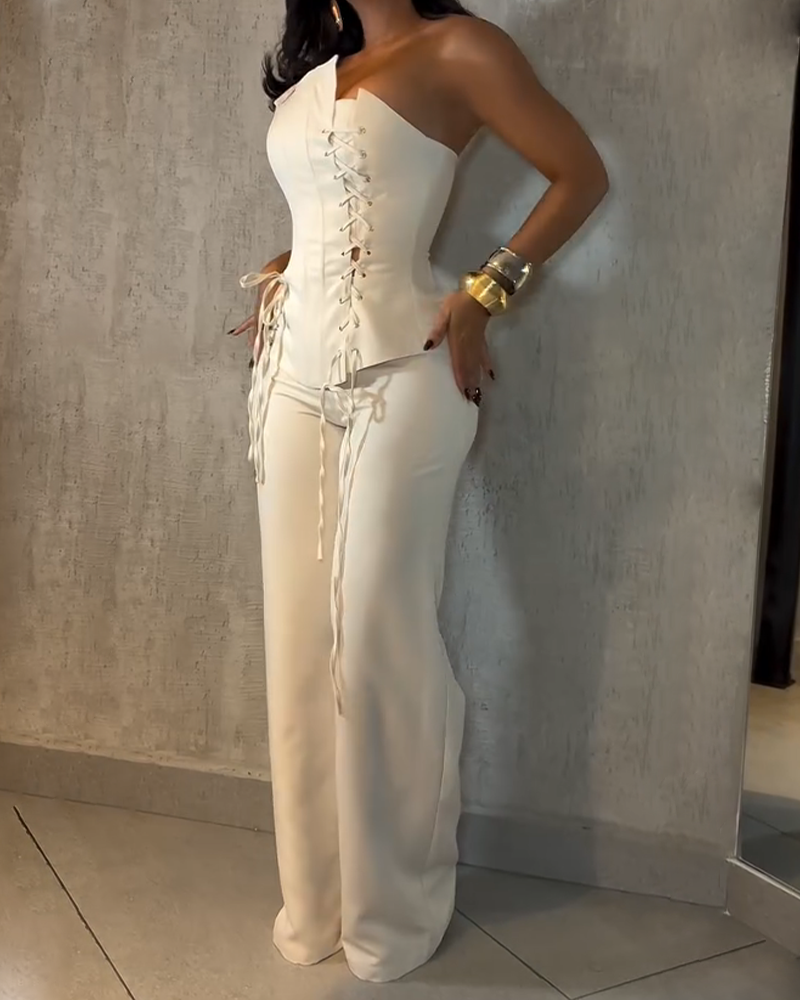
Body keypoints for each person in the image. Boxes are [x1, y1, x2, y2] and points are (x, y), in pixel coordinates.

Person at [228, 0, 607, 983]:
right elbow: (336, 207)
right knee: (299, 642)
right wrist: (290, 265)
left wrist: (485, 292)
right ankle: (316, 904)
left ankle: (394, 911)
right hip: (290, 381)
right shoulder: (319, 70)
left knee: (375, 637)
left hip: (404, 371)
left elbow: (580, 174)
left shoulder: (460, 47)